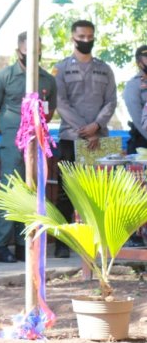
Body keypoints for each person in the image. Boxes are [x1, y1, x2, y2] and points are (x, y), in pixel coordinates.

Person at [0, 32, 57, 262]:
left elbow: (49, 111)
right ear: (18, 52)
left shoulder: (47, 80)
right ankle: (1, 245)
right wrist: (9, 131)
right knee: (10, 188)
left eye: (37, 52)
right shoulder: (3, 77)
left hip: (37, 143)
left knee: (33, 190)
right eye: (28, 52)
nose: (33, 56)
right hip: (12, 141)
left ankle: (25, 243)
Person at [53, 19, 117, 257]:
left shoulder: (104, 69)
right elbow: (60, 103)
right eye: (81, 37)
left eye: (90, 37)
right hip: (71, 137)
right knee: (66, 191)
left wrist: (97, 126)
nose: (86, 41)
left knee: (99, 192)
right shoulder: (60, 69)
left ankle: (99, 239)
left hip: (100, 139)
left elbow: (111, 101)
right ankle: (63, 243)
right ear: (73, 38)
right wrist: (84, 129)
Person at [122, 45, 147, 247]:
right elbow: (139, 121)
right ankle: (133, 235)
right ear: (139, 62)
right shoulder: (133, 86)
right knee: (138, 192)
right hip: (141, 144)